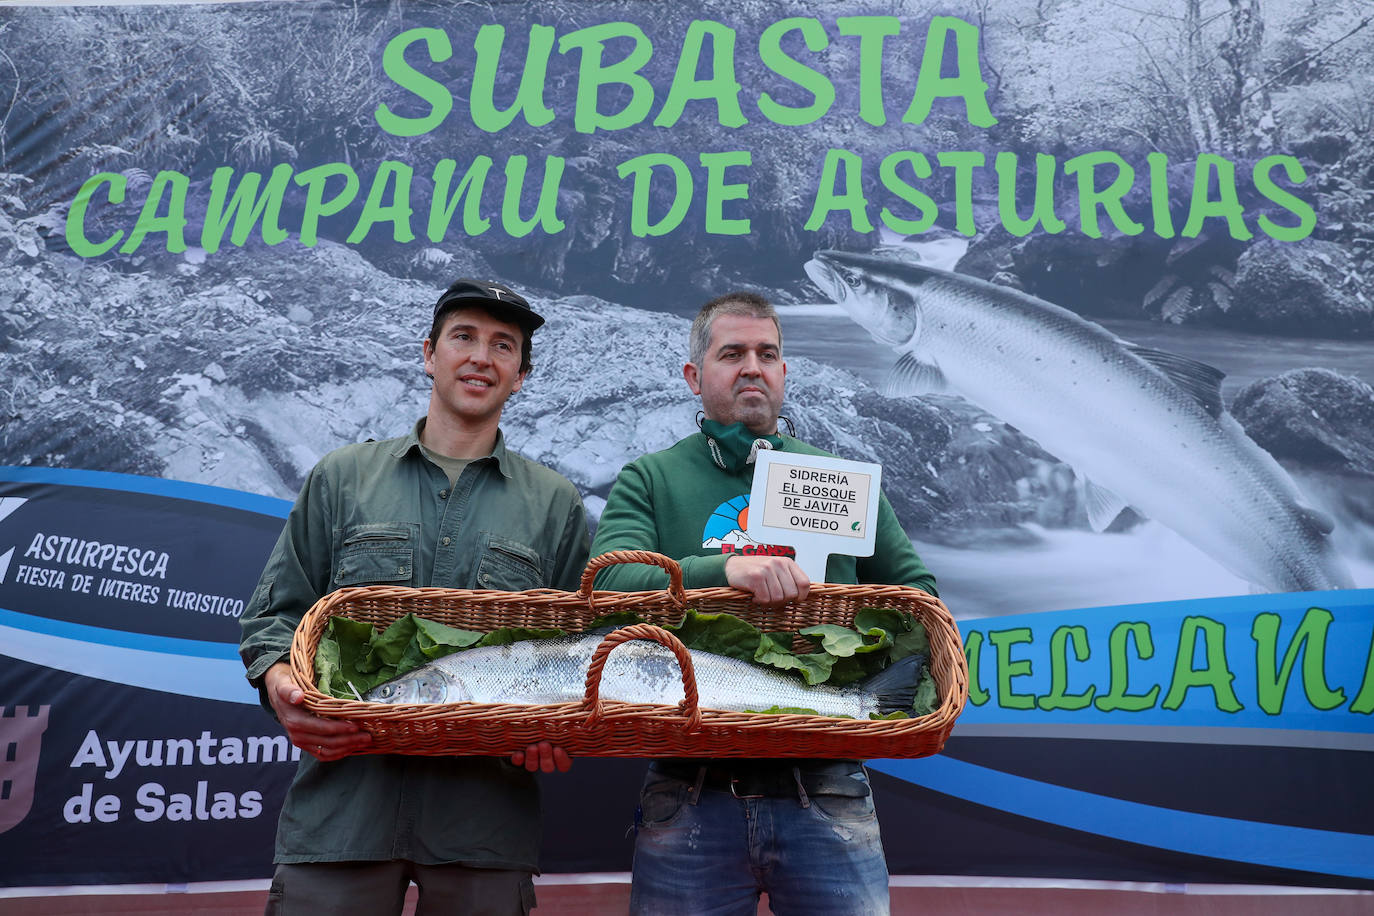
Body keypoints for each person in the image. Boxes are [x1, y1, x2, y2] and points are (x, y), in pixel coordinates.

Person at [239, 278, 591, 916]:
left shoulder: (555, 505)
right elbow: (276, 617)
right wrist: (280, 686)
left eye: (503, 346)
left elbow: (571, 654)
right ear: (429, 354)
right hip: (341, 813)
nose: (481, 356)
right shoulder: (343, 478)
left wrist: (558, 728)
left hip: (484, 824)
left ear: (520, 376)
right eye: (464, 337)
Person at [589, 291, 937, 916]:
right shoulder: (650, 478)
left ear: (783, 373)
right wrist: (724, 569)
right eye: (732, 353)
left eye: (767, 354)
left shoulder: (841, 480)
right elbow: (608, 591)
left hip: (828, 783)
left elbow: (920, 601)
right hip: (688, 788)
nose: (753, 366)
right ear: (695, 376)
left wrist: (847, 622)